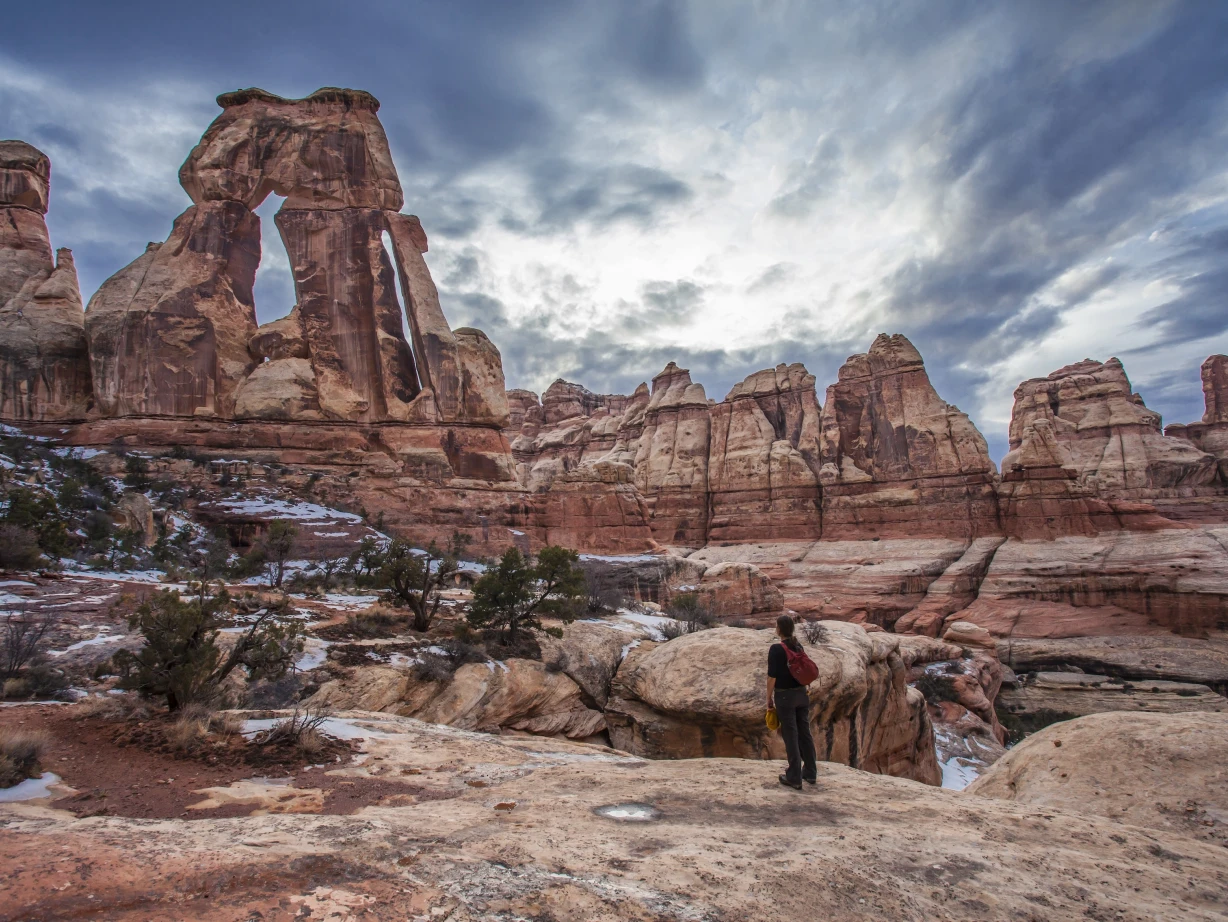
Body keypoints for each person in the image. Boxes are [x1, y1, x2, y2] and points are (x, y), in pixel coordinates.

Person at [766, 614, 817, 790]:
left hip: (785, 697)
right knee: (804, 733)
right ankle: (810, 772)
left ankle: (794, 776)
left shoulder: (776, 649)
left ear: (779, 629)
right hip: (802, 695)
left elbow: (772, 677)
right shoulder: (797, 645)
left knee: (790, 735)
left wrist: (768, 698)